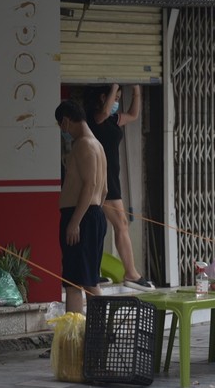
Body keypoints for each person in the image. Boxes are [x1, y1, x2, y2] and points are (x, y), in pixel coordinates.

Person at [85, 84, 156, 292]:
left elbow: (133, 114)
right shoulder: (94, 118)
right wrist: (114, 83)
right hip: (101, 180)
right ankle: (131, 273)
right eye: (115, 97)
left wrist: (136, 90)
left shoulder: (114, 120)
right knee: (121, 223)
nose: (117, 102)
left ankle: (94, 271)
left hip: (111, 179)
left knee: (103, 227)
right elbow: (105, 112)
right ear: (103, 97)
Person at [55, 100, 108, 313]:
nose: (62, 130)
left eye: (60, 125)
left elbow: (91, 184)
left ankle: (76, 337)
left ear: (66, 121)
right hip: (92, 214)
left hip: (81, 217)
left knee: (75, 283)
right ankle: (97, 333)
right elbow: (103, 190)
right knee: (86, 280)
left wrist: (76, 221)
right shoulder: (98, 145)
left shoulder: (83, 144)